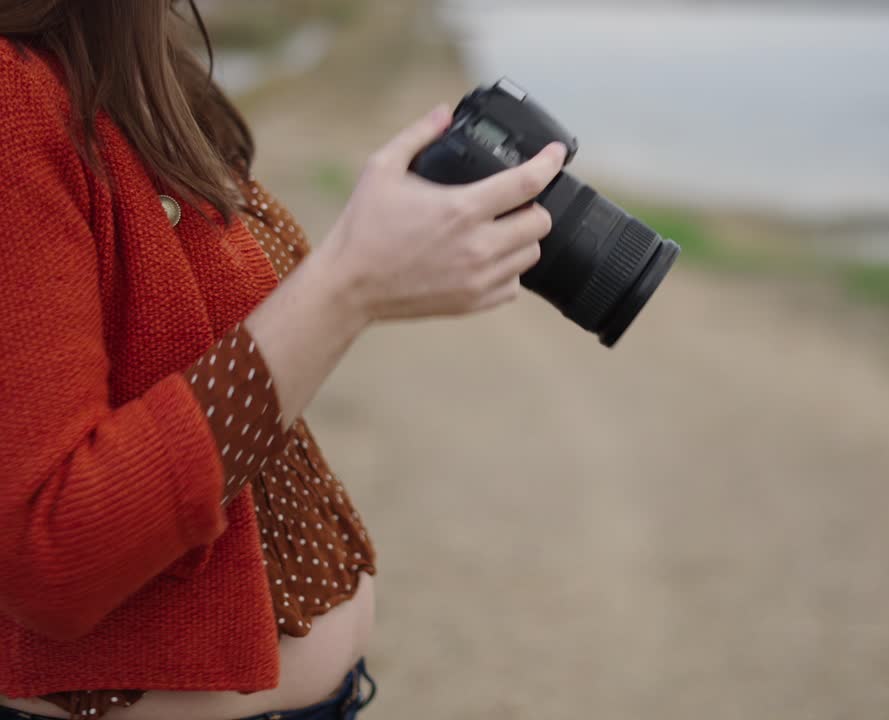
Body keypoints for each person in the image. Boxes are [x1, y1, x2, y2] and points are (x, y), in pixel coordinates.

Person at [0, 2, 566, 719]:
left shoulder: (131, 61)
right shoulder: (13, 97)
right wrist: (347, 287)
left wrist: (375, 259)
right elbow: (50, 551)